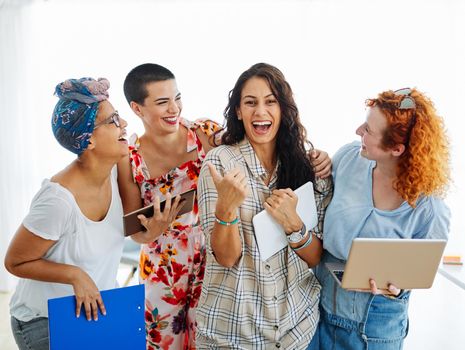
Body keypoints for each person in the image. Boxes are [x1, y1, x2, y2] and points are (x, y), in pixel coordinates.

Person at [117, 63, 333, 350]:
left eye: (177, 98)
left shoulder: (203, 134)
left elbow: (246, 145)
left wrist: (317, 160)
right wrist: (153, 229)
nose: (174, 109)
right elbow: (134, 228)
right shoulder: (131, 158)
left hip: (210, 260)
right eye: (162, 102)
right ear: (137, 108)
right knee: (163, 340)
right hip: (167, 263)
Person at [195, 62, 333, 349]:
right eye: (250, 103)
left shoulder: (308, 165)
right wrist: (226, 210)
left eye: (270, 102)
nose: (260, 112)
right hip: (234, 335)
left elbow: (315, 256)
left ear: (283, 109)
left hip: (297, 330)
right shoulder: (220, 163)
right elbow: (227, 258)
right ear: (238, 111)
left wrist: (294, 225)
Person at [313, 88, 451, 349]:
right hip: (319, 312)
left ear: (396, 149)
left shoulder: (429, 207)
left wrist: (400, 285)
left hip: (375, 326)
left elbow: (423, 268)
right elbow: (318, 204)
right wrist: (318, 161)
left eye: (368, 130)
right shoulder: (348, 159)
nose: (358, 132)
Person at [4, 77, 128, 350]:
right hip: (43, 321)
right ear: (89, 139)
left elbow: (125, 229)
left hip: (92, 312)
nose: (124, 124)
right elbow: (15, 262)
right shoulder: (58, 201)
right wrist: (76, 275)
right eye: (113, 120)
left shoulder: (116, 172)